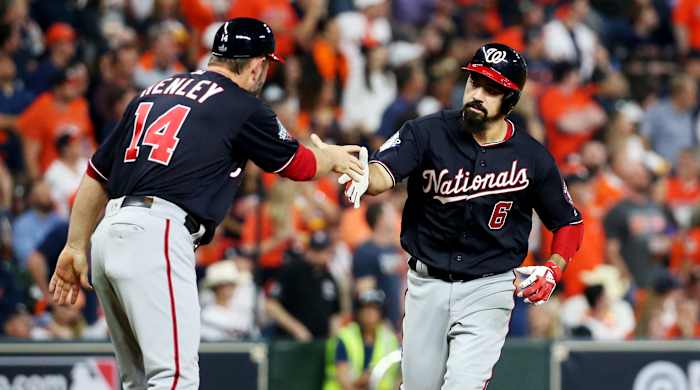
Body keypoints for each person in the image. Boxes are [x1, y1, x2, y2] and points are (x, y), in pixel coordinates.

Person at [49, 18, 365, 390]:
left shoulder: (156, 89)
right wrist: (332, 157)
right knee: (174, 378)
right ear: (257, 64)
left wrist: (75, 243)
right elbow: (300, 165)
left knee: (139, 381)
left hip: (108, 234)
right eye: (265, 65)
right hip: (158, 234)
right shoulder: (242, 104)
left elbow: (96, 174)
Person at [341, 43, 584, 389]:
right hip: (427, 283)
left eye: (492, 89)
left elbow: (568, 222)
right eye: (475, 83)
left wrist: (555, 265)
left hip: (489, 286)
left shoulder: (532, 156)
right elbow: (383, 171)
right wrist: (367, 176)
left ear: (510, 101)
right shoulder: (426, 132)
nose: (478, 94)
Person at [266, 229, 342, 340]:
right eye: (316, 250)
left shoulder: (329, 278)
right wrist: (296, 328)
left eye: (324, 251)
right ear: (308, 249)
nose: (320, 255)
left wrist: (334, 338)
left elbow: (335, 313)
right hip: (291, 342)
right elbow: (271, 305)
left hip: (320, 342)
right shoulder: (292, 270)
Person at [323, 289, 399, 390]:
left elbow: (398, 378)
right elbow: (344, 381)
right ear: (358, 312)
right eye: (365, 308)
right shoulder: (345, 337)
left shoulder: (390, 340)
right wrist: (362, 380)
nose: (370, 313)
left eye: (375, 309)